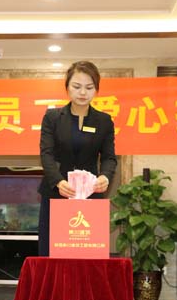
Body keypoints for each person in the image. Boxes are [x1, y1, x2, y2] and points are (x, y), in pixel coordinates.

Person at [37, 60, 117, 256]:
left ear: (96, 90)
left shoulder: (104, 121)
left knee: (87, 255)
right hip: (57, 193)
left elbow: (109, 157)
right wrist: (58, 181)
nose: (83, 92)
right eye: (77, 86)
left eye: (89, 87)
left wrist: (105, 177)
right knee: (53, 253)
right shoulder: (52, 118)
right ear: (67, 88)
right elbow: (46, 154)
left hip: (90, 193)